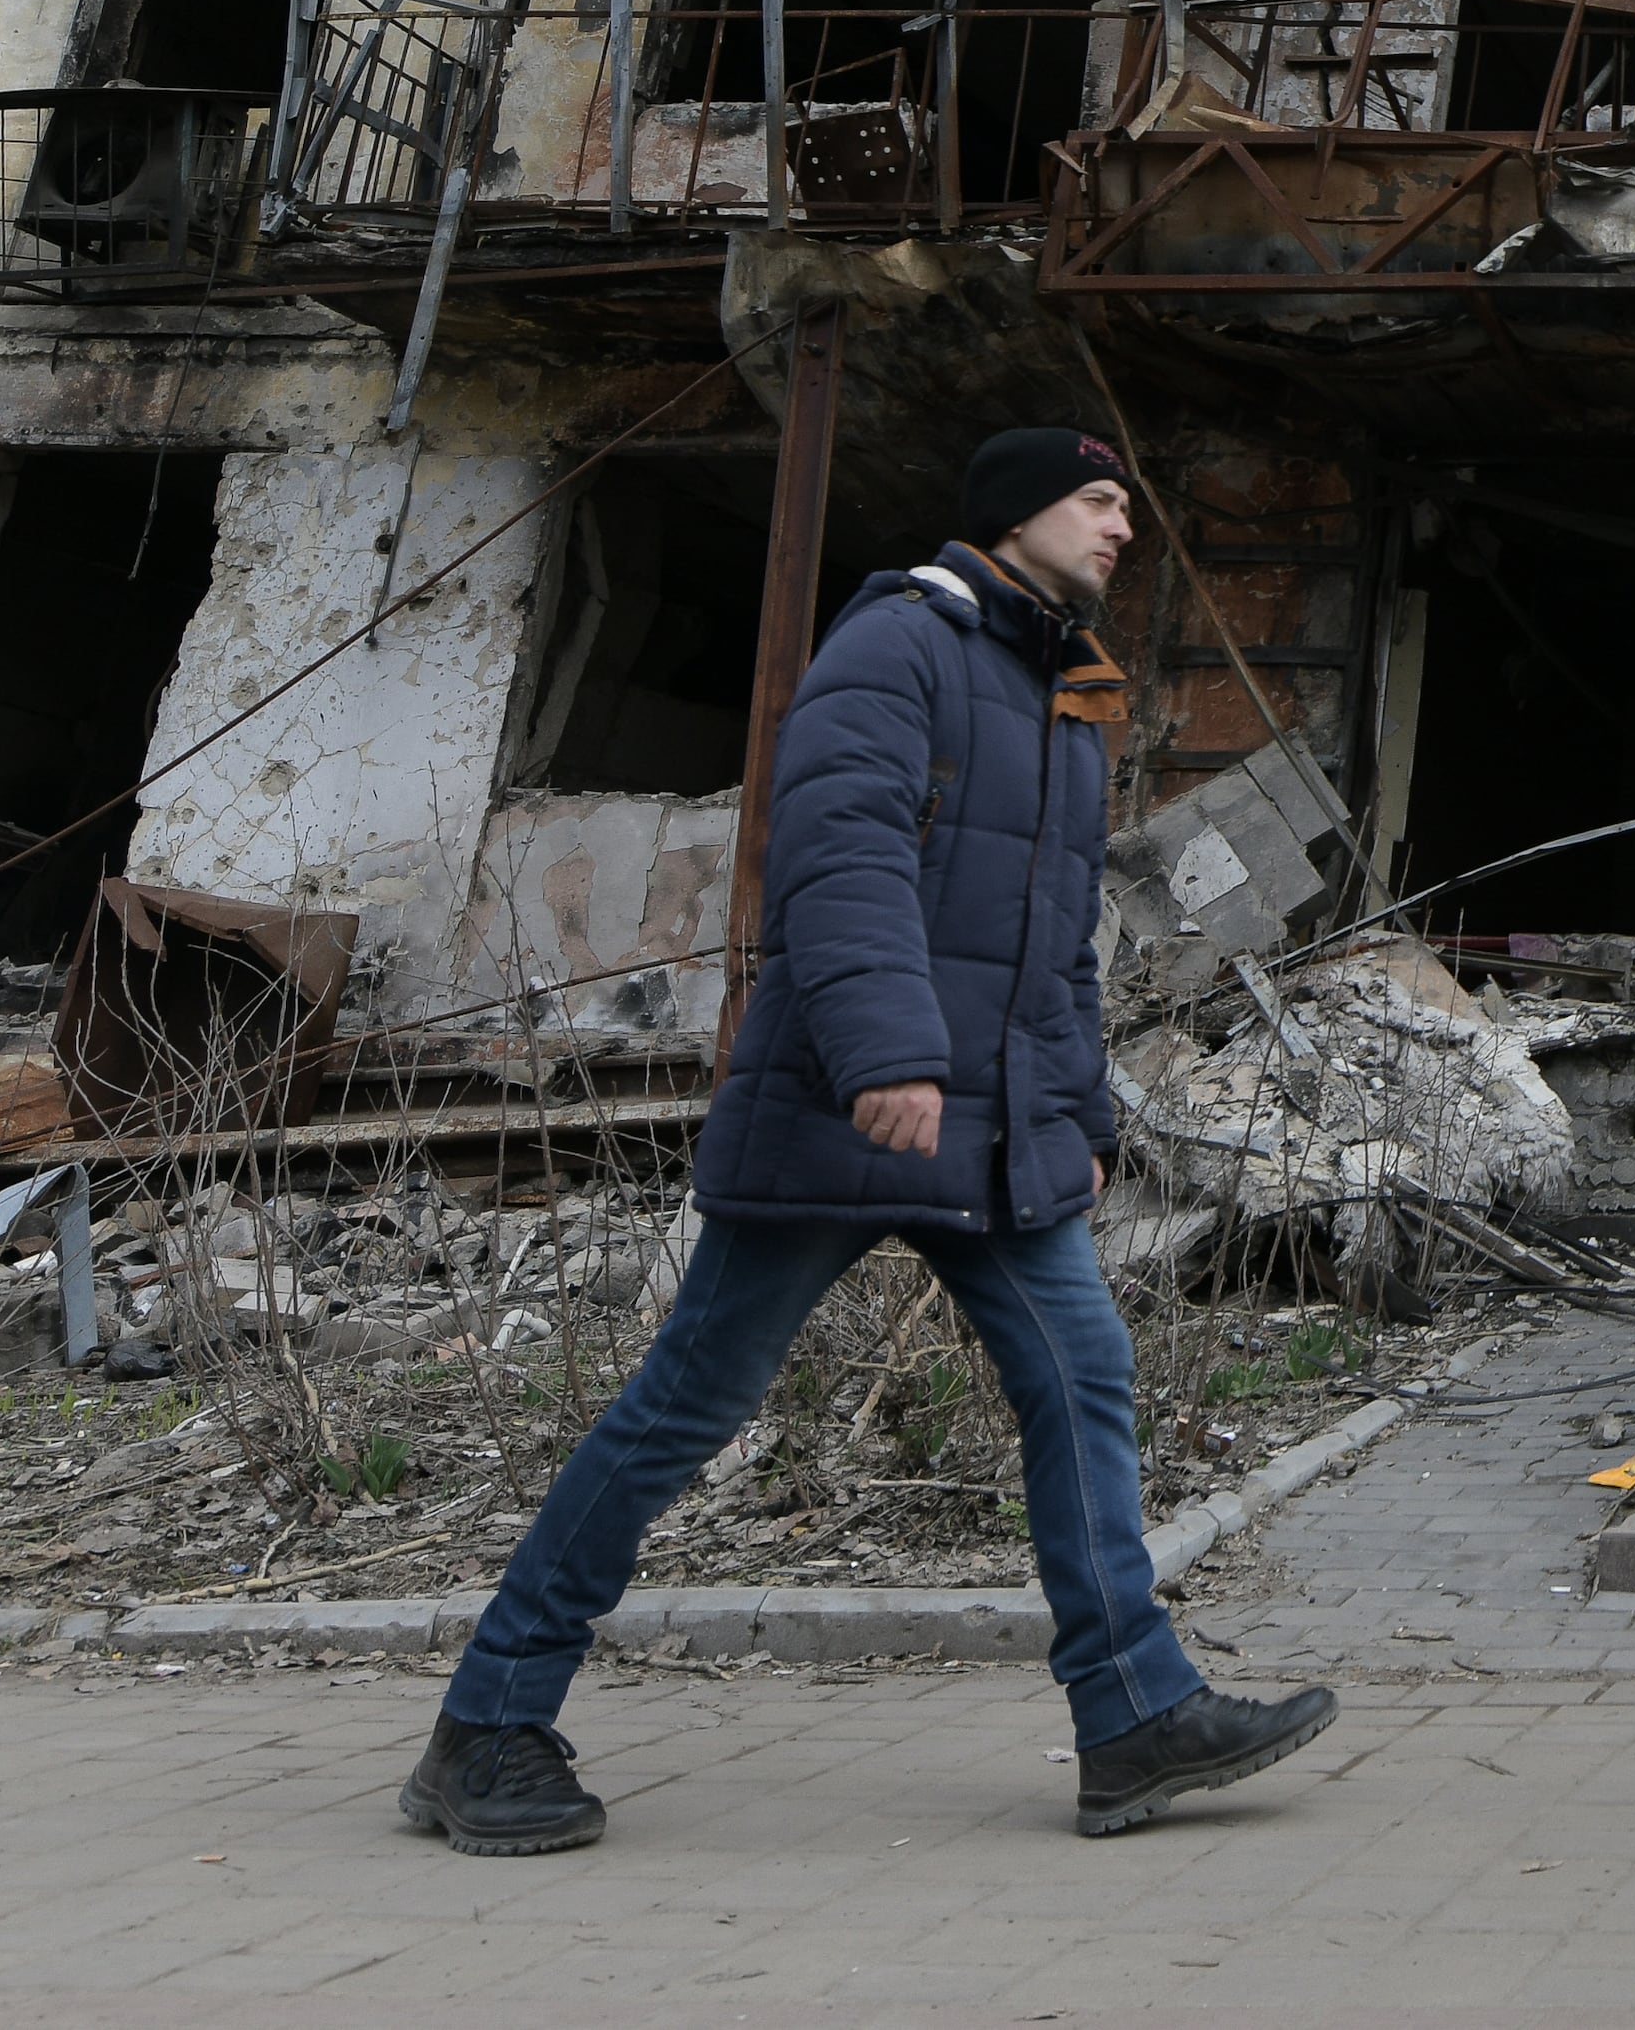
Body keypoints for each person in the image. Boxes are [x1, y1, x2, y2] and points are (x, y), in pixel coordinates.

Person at [396, 426, 1339, 1854]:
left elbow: (1055, 948)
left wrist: (1080, 1112)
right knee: (684, 1412)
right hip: (853, 1111)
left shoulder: (1059, 694)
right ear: (1015, 510)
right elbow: (840, 857)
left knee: (1083, 1374)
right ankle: (487, 1723)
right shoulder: (896, 649)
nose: (1121, 526)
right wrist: (889, 1052)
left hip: (1002, 1132)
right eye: (1097, 500)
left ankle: (1134, 1715)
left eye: (1124, 506)